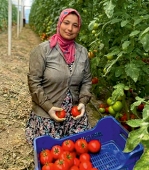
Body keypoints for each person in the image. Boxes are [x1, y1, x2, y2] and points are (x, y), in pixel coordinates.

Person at [25, 8, 92, 145]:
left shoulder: (82, 52)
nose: (70, 28)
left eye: (75, 25)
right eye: (66, 23)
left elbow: (86, 81)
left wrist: (82, 102)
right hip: (47, 111)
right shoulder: (43, 50)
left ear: (78, 29)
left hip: (73, 113)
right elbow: (34, 82)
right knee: (52, 148)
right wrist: (49, 107)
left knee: (83, 145)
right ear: (59, 23)